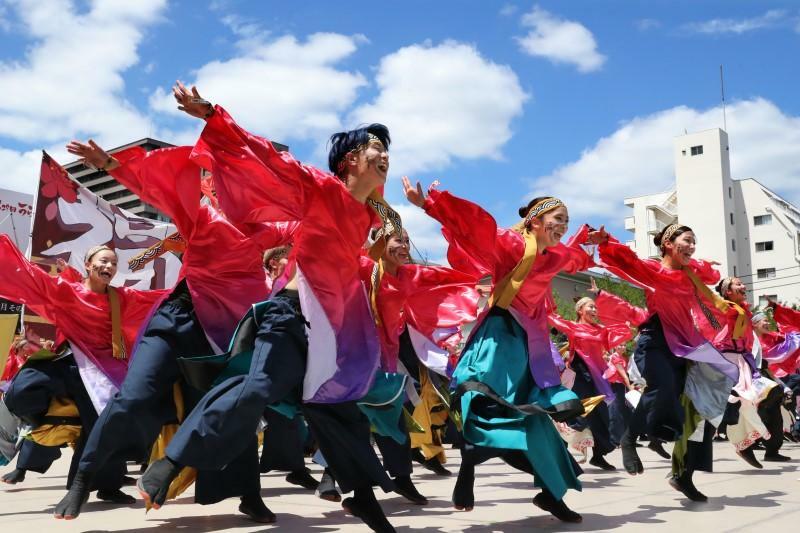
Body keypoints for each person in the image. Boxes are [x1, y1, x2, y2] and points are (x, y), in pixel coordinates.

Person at [136, 82, 400, 532]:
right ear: (351, 159)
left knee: (340, 412)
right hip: (292, 315)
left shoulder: (369, 217)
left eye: (386, 150)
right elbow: (271, 159)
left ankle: (363, 501)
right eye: (376, 148)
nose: (386, 156)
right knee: (256, 387)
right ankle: (169, 463)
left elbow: (341, 262)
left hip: (331, 331)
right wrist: (214, 117)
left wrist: (373, 261)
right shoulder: (321, 187)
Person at [55, 140, 293, 522]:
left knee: (234, 409)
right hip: (177, 318)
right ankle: (84, 478)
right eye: (222, 179)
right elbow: (158, 188)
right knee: (132, 398)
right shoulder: (200, 214)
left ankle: (249, 492)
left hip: (221, 332)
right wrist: (110, 164)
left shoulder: (268, 228)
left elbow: (316, 216)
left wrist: (369, 204)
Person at [404, 181, 608, 523]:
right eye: (559, 218)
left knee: (537, 424)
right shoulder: (511, 243)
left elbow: (574, 258)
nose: (564, 226)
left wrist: (589, 240)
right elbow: (473, 226)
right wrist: (429, 204)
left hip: (531, 347)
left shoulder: (555, 254)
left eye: (568, 220)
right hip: (498, 339)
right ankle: (468, 466)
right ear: (535, 221)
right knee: (489, 408)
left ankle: (551, 495)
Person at [0, 238, 169, 504]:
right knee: (23, 388)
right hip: (69, 361)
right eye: (104, 261)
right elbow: (32, 278)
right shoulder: (67, 291)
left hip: (103, 370)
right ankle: (41, 422)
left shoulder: (122, 298)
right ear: (89, 265)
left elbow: (159, 299)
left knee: (104, 421)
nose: (110, 266)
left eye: (114, 263)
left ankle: (107, 485)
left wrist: (194, 279)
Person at [598, 223, 738, 502]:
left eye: (694, 241)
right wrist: (606, 239)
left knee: (703, 411)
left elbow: (712, 275)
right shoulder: (654, 270)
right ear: (668, 244)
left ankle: (683, 475)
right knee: (661, 390)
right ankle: (630, 439)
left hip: (690, 348)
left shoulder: (692, 274)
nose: (692, 246)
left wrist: (701, 264)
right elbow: (625, 259)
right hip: (658, 342)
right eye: (687, 240)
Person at [548, 282, 637, 471]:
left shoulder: (601, 331)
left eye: (595, 307)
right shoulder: (572, 327)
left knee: (603, 417)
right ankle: (562, 456)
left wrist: (603, 307)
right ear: (580, 310)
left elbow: (624, 331)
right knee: (575, 415)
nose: (594, 309)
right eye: (591, 306)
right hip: (580, 374)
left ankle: (598, 455)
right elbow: (551, 318)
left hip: (598, 377)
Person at [707, 277, 785, 468]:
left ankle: (747, 444)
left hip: (741, 362)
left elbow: (746, 339)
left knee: (747, 403)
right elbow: (717, 327)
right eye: (738, 284)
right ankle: (691, 456)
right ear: (727, 291)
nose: (743, 286)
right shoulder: (723, 307)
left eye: (742, 283)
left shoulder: (742, 311)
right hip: (725, 362)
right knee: (724, 409)